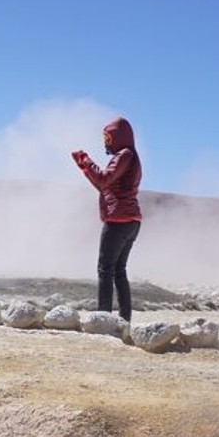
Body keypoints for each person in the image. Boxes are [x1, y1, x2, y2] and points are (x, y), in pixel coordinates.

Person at [71, 116, 142, 322]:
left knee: (105, 270)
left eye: (108, 138)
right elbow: (106, 185)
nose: (106, 143)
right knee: (119, 271)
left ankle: (103, 319)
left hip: (118, 220)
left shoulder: (124, 155)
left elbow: (103, 179)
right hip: (131, 220)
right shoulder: (130, 156)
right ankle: (124, 319)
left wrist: (85, 160)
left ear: (118, 137)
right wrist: (85, 168)